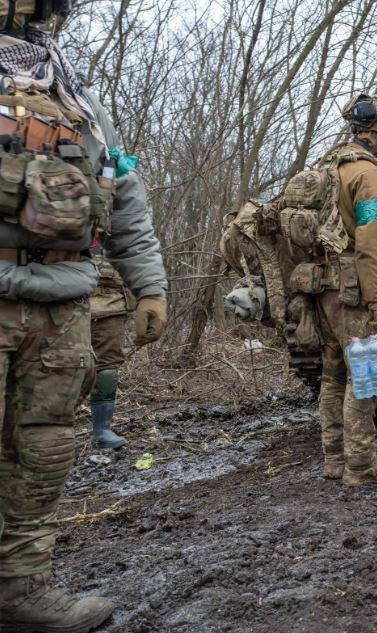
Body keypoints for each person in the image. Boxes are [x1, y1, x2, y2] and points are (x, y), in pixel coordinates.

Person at [0, 2, 168, 631]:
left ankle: (19, 589)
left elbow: (124, 195)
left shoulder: (76, 101)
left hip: (64, 304)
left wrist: (149, 287)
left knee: (43, 450)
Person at [315, 93, 377, 486]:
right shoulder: (367, 174)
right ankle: (361, 464)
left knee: (333, 373)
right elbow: (372, 242)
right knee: (366, 372)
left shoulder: (328, 166)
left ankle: (335, 458)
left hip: (321, 286)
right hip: (353, 286)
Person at [88, 238, 136, 449]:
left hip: (111, 305)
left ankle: (102, 430)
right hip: (63, 301)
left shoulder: (118, 226)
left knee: (107, 372)